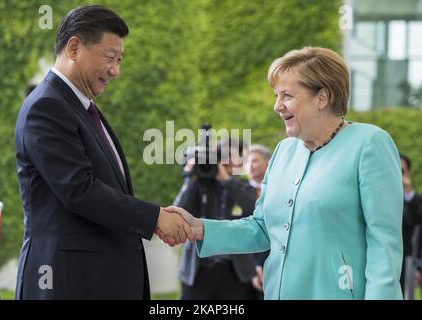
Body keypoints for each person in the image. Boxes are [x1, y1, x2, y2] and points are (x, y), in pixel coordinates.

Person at [163, 47, 404, 299]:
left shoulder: (370, 143)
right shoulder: (283, 151)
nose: (277, 106)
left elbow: (384, 246)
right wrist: (200, 228)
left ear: (322, 97)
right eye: (277, 96)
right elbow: (263, 228)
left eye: (287, 95)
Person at [14, 5, 190, 300]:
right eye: (110, 58)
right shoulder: (46, 107)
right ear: (74, 48)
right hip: (67, 282)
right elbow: (79, 190)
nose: (116, 70)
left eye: (120, 60)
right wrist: (155, 217)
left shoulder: (80, 108)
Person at [174, 138, 258, 299]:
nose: (233, 162)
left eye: (238, 157)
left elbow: (254, 210)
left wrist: (226, 180)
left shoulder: (243, 187)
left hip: (236, 272)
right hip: (198, 270)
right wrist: (191, 178)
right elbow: (178, 212)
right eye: (228, 155)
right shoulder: (198, 184)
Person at [245, 144, 271, 298]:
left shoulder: (279, 189)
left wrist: (260, 263)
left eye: (254, 161)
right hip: (243, 268)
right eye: (247, 161)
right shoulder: (238, 191)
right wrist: (252, 265)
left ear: (268, 164)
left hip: (271, 262)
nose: (250, 165)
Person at [400, 154, 422, 296]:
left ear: (408, 173)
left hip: (406, 259)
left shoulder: (415, 199)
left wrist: (407, 191)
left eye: (402, 171)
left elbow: (417, 219)